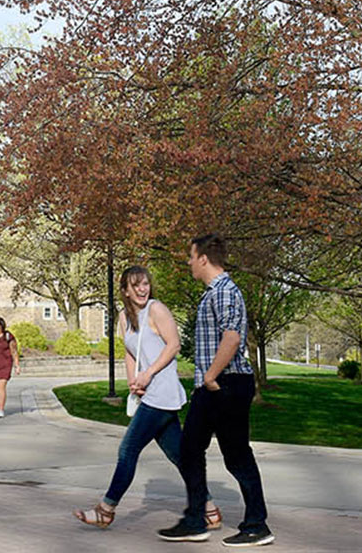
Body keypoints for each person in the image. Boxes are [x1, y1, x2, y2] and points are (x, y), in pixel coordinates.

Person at [74, 267, 221, 531]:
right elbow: (131, 352)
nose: (142, 289)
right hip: (147, 392)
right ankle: (209, 509)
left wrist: (149, 374)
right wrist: (133, 382)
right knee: (179, 455)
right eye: (136, 285)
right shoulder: (124, 316)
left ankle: (106, 509)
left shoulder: (157, 310)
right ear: (125, 291)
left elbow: (173, 345)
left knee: (128, 450)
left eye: (145, 284)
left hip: (162, 391)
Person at [158, 234, 274, 547]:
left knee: (236, 456)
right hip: (213, 386)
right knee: (190, 449)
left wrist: (210, 377)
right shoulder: (214, 292)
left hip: (226, 383)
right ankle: (196, 521)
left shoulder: (224, 292)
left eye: (191, 256)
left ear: (204, 258)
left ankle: (256, 525)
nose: (188, 262)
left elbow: (232, 338)